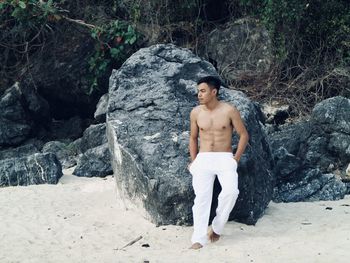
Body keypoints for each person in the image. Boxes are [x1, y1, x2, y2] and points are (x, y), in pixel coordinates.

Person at [188, 76, 249, 249]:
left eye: (203, 91)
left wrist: (236, 159)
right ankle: (198, 239)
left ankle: (216, 227)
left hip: (224, 157)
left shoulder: (229, 110)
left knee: (231, 192)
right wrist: (194, 161)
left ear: (214, 92)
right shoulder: (196, 112)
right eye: (198, 91)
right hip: (204, 158)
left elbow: (243, 135)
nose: (199, 94)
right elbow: (192, 137)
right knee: (202, 198)